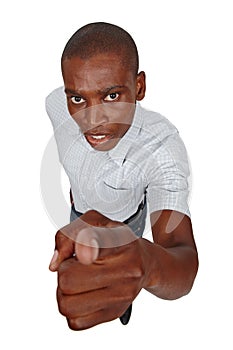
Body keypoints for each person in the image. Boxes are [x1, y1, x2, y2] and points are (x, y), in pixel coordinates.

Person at [46, 22, 198, 331]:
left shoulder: (162, 148)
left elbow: (182, 258)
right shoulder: (55, 105)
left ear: (138, 87)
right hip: (77, 212)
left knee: (123, 272)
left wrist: (143, 262)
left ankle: (124, 301)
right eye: (78, 98)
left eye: (112, 96)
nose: (92, 121)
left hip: (129, 224)